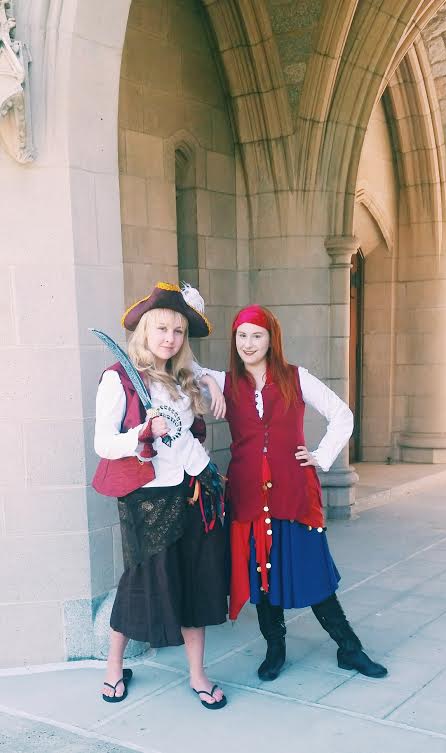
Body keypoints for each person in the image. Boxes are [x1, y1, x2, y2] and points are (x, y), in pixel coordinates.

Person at [198, 304, 388, 681]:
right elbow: (184, 366)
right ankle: (275, 649)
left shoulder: (296, 377)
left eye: (257, 336)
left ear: (272, 340)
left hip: (294, 495)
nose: (248, 344)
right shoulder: (224, 380)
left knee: (312, 572)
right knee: (262, 576)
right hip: (249, 498)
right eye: (241, 336)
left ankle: (349, 648)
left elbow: (342, 415)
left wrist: (321, 455)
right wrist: (207, 379)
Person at [93, 282, 228, 709]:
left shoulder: (183, 378)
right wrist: (141, 433)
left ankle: (198, 674)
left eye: (178, 331)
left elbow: (211, 378)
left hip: (192, 492)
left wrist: (212, 383)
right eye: (162, 329)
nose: (170, 338)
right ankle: (114, 667)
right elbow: (102, 444)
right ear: (145, 331)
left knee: (193, 583)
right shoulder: (118, 380)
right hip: (146, 500)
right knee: (139, 583)